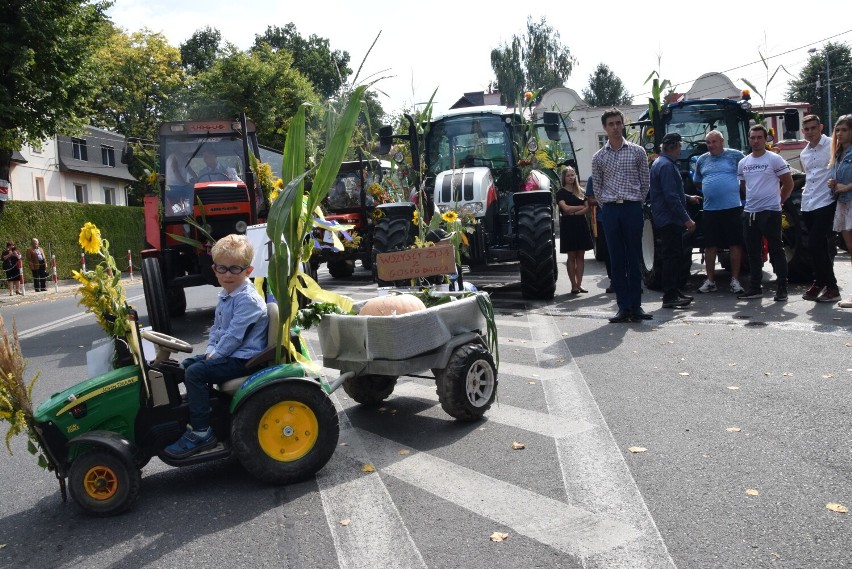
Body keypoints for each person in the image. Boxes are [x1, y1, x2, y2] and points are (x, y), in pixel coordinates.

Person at [164, 234, 269, 458]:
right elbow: (217, 330)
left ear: (248, 271)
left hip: (244, 359)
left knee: (196, 373)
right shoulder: (227, 295)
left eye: (235, 269)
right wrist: (211, 350)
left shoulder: (247, 300)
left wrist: (217, 353)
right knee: (184, 367)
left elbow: (234, 337)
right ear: (214, 269)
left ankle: (202, 432)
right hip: (230, 354)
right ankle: (200, 410)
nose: (228, 275)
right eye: (222, 269)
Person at [590, 108, 652, 323]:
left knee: (634, 258)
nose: (615, 127)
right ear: (605, 128)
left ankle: (636, 306)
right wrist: (606, 206)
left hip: (632, 207)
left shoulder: (637, 152)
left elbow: (645, 182)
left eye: (618, 123)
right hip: (610, 210)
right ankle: (623, 307)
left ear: (623, 124)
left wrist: (636, 202)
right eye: (611, 124)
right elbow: (597, 187)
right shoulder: (598, 157)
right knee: (616, 259)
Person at [736, 124, 794, 301]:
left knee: (777, 250)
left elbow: (788, 183)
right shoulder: (743, 162)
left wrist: (778, 201)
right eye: (752, 137)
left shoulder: (774, 159)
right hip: (750, 213)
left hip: (771, 212)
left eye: (759, 137)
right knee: (753, 252)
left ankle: (782, 288)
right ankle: (755, 287)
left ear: (766, 139)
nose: (755, 141)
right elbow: (744, 187)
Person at [692, 130, 746, 294]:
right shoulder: (702, 160)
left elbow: (746, 176)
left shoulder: (736, 156)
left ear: (722, 141)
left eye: (714, 142)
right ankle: (710, 280)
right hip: (710, 209)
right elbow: (697, 182)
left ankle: (735, 281)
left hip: (732, 207)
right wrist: (712, 190)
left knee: (735, 243)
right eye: (708, 142)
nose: (711, 145)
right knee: (710, 245)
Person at [649, 132, 699, 308]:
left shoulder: (661, 163)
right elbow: (670, 197)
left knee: (673, 256)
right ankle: (670, 296)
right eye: (680, 146)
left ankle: (674, 291)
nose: (681, 150)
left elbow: (670, 191)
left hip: (665, 217)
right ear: (674, 147)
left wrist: (688, 197)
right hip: (669, 219)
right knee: (672, 257)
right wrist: (687, 220)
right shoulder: (667, 166)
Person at [799, 115, 841, 302]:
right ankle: (820, 282)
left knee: (816, 242)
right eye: (806, 129)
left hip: (827, 200)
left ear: (821, 127)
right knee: (816, 246)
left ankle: (832, 287)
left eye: (813, 128)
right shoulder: (804, 153)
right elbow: (810, 176)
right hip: (809, 201)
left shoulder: (833, 145)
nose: (810, 132)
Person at [827, 114, 852, 308]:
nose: (840, 133)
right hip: (843, 204)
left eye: (844, 130)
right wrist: (833, 183)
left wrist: (846, 187)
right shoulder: (837, 154)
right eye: (838, 130)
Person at [556, 167, 593, 294]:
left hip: (580, 224)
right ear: (564, 178)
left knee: (581, 256)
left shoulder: (581, 192)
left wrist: (575, 212)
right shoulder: (560, 193)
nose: (571, 177)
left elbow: (588, 208)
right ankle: (573, 285)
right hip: (568, 226)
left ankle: (579, 284)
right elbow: (565, 209)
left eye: (573, 175)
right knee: (571, 255)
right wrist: (580, 207)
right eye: (568, 176)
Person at [584, 176, 614, 293]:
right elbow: (590, 200)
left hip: (622, 216)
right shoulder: (593, 178)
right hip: (603, 219)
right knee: (608, 251)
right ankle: (614, 280)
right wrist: (609, 200)